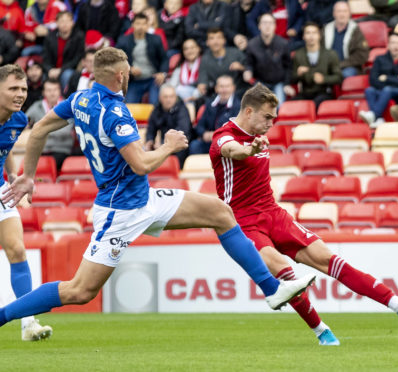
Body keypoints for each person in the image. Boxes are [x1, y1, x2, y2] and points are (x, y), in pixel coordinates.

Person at [0, 47, 315, 330]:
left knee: (220, 212)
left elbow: (39, 128)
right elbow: (140, 164)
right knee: (79, 291)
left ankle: (272, 290)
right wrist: (169, 146)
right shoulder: (116, 112)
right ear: (122, 75)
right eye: (129, 74)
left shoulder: (81, 99)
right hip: (120, 210)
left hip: (143, 198)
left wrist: (28, 174)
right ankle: (3, 317)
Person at [210, 83, 398, 343]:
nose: (272, 123)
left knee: (329, 259)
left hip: (273, 213)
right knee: (285, 273)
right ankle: (321, 330)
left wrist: (254, 146)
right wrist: (248, 150)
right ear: (248, 111)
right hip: (244, 223)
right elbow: (230, 150)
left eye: (274, 117)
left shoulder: (261, 136)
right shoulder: (224, 136)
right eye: (267, 117)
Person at [0, 64, 53, 341]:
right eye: (13, 88)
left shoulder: (18, 119)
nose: (20, 94)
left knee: (18, 250)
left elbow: (4, 148)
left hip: (0, 190)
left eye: (22, 88)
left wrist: (11, 174)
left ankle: (28, 324)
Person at [359, 31, 398, 126]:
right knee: (369, 90)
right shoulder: (380, 59)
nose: (396, 46)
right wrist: (396, 79)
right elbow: (373, 80)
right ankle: (378, 119)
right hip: (382, 90)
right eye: (393, 43)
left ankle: (374, 116)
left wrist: (386, 78)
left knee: (387, 89)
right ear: (388, 45)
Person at [116, 13, 168, 105]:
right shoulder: (123, 41)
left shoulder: (156, 39)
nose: (141, 26)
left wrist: (162, 74)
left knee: (154, 104)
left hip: (153, 79)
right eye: (138, 23)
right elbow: (116, 60)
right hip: (135, 80)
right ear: (133, 25)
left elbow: (164, 59)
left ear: (148, 25)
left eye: (144, 24)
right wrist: (129, 69)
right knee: (128, 105)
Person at [291, 22, 343, 109]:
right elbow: (292, 79)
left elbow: (339, 77)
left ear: (319, 36)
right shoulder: (298, 55)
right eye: (308, 33)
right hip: (305, 93)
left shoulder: (330, 54)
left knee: (314, 105)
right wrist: (298, 74)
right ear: (303, 36)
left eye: (314, 33)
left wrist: (324, 79)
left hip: (324, 93)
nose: (311, 36)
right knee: (290, 106)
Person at [26, 78, 75, 170]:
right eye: (49, 90)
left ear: (60, 91)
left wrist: (39, 131)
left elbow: (65, 132)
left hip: (61, 149)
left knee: (47, 166)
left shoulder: (67, 107)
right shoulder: (37, 106)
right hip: (40, 150)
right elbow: (25, 121)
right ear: (43, 92)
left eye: (55, 90)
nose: (52, 93)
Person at [243, 13, 291, 105]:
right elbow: (249, 63)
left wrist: (286, 83)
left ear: (275, 26)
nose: (267, 26)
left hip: (279, 82)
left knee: (278, 106)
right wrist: (248, 71)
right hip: (260, 83)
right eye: (264, 23)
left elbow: (288, 66)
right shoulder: (252, 45)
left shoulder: (283, 44)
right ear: (259, 26)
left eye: (270, 23)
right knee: (260, 108)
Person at [146, 84, 193, 167]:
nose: (169, 100)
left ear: (175, 97)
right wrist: (149, 141)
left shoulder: (182, 109)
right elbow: (151, 129)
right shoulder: (157, 110)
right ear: (160, 98)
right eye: (166, 97)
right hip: (164, 145)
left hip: (181, 145)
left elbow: (182, 132)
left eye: (171, 97)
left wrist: (163, 144)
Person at [190, 75, 239, 154]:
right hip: (209, 141)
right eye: (221, 86)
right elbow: (200, 125)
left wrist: (216, 134)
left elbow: (236, 129)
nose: (224, 90)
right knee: (195, 145)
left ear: (233, 88)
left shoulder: (238, 106)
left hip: (227, 143)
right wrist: (204, 134)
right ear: (216, 88)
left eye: (227, 86)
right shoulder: (210, 104)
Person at [197, 27, 249, 98]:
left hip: (239, 92)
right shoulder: (205, 59)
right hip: (218, 94)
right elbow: (203, 78)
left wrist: (241, 67)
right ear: (207, 42)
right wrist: (202, 84)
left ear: (224, 40)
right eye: (212, 38)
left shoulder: (236, 53)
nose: (215, 41)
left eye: (218, 38)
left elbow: (250, 69)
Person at [323, 1, 369, 78]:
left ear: (349, 13)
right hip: (328, 66)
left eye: (345, 11)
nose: (342, 14)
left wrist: (340, 65)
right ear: (334, 13)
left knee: (344, 74)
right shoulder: (326, 29)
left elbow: (361, 55)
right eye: (339, 11)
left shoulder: (355, 30)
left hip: (349, 67)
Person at [42, 10, 85, 92]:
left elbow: (77, 58)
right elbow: (45, 57)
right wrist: (50, 69)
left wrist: (61, 70)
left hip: (69, 68)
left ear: (72, 23)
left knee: (66, 75)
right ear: (57, 23)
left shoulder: (79, 37)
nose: (64, 24)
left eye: (67, 21)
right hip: (52, 68)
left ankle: (66, 99)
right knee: (42, 75)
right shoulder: (50, 37)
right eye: (61, 21)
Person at [168, 38, 203, 103]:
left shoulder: (204, 62)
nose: (189, 51)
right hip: (183, 97)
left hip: (200, 95)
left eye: (192, 48)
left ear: (198, 49)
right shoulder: (180, 66)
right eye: (186, 49)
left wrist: (196, 94)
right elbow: (172, 85)